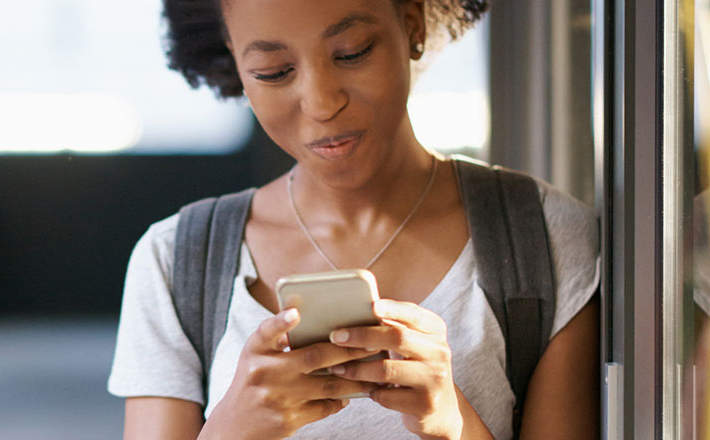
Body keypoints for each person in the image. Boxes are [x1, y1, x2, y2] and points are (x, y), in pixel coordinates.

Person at [108, 0, 601, 438]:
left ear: (413, 25)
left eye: (352, 51)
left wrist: (456, 427)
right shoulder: (177, 262)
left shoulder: (544, 241)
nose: (323, 104)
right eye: (274, 71)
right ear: (235, 63)